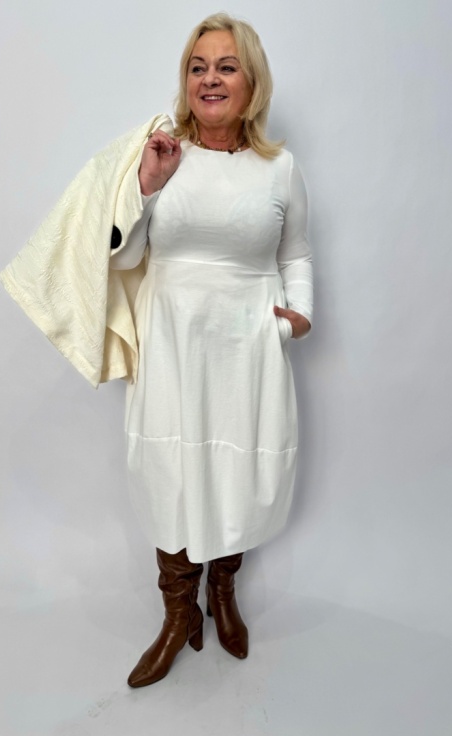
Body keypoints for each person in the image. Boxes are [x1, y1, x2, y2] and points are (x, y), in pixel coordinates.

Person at [107, 13, 314, 688]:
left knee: (235, 466)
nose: (210, 79)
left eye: (226, 66)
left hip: (245, 347)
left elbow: (297, 253)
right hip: (172, 341)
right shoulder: (164, 153)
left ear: (252, 81)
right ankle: (178, 615)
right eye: (198, 67)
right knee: (168, 467)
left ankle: (222, 591)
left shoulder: (279, 168)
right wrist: (146, 184)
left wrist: (298, 316)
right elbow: (125, 257)